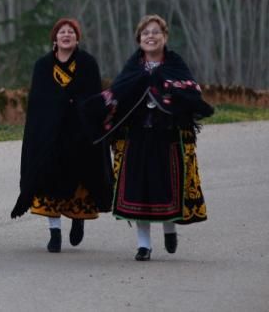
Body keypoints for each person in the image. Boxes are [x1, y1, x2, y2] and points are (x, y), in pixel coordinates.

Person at [82, 15, 213, 261]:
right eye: (145, 33)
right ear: (139, 39)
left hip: (168, 137)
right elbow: (117, 95)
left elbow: (191, 92)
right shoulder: (133, 69)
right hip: (137, 137)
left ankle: (170, 228)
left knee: (167, 188)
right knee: (138, 191)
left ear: (164, 38)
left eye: (155, 33)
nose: (150, 37)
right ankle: (144, 245)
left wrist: (163, 88)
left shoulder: (175, 65)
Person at [10, 18, 113, 253]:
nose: (66, 35)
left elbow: (93, 100)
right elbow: (38, 104)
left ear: (77, 38)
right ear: (54, 38)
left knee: (80, 183)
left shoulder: (87, 64)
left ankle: (78, 220)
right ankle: (54, 231)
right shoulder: (42, 66)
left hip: (80, 137)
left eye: (71, 32)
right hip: (50, 137)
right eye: (62, 32)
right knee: (48, 182)